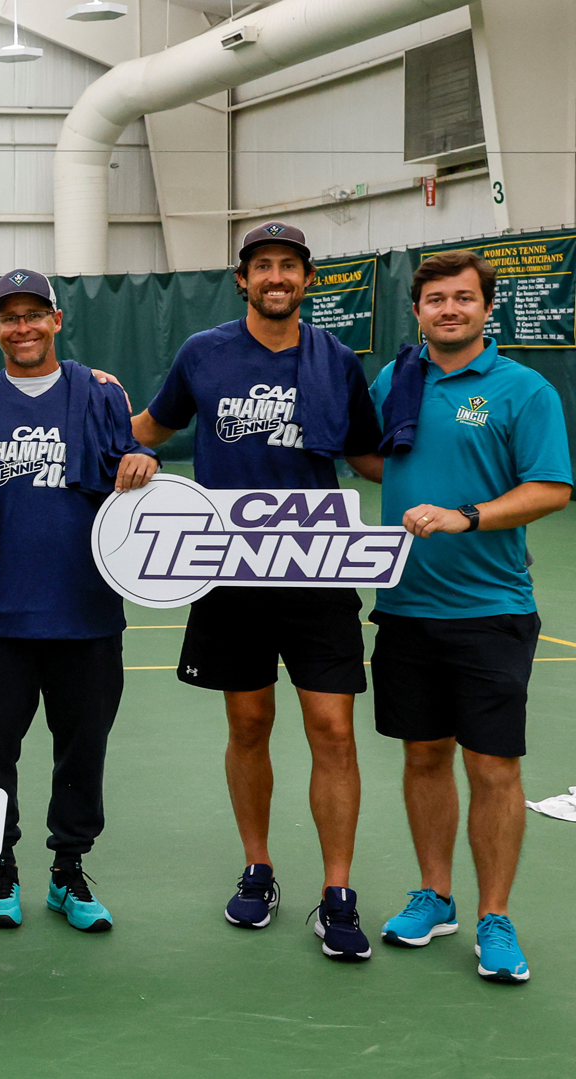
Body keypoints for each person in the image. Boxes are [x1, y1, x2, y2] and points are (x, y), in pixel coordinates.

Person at [131, 221, 385, 962]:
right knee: (248, 726)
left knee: (332, 731)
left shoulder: (336, 360)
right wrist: (126, 447)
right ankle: (259, 866)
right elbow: (150, 427)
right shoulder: (203, 354)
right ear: (242, 280)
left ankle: (338, 892)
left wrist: (453, 484)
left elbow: (369, 457)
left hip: (317, 573)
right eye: (262, 266)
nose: (276, 277)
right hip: (229, 575)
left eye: (289, 266)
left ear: (307, 280)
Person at [367, 250, 570, 984]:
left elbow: (550, 487)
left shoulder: (524, 389)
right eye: (434, 300)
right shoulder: (398, 379)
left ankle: (494, 915)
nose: (448, 310)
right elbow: (378, 459)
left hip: (492, 611)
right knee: (423, 757)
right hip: (404, 608)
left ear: (488, 309)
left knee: (493, 766)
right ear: (416, 311)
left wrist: (467, 516)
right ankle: (434, 895)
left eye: (463, 299)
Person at [0, 269, 158, 934]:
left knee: (82, 750)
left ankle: (68, 870)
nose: (24, 327)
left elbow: (132, 465)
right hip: (0, 615)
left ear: (57, 321)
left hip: (87, 616)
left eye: (36, 314)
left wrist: (144, 457)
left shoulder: (99, 394)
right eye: (11, 317)